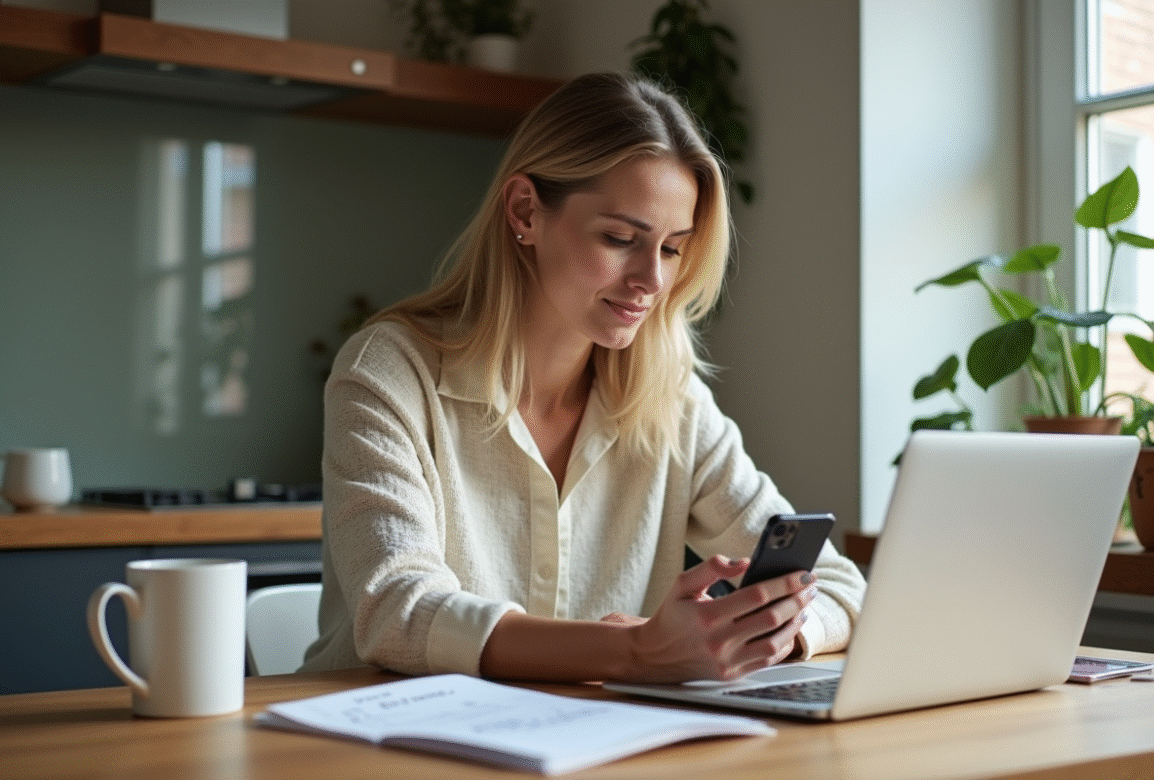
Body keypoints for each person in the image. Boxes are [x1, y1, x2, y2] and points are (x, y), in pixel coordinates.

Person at [300, 72, 865, 683]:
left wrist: (753, 636)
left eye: (673, 249)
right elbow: (399, 615)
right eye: (621, 239)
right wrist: (636, 653)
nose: (652, 280)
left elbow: (834, 584)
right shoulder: (389, 374)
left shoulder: (670, 399)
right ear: (525, 212)